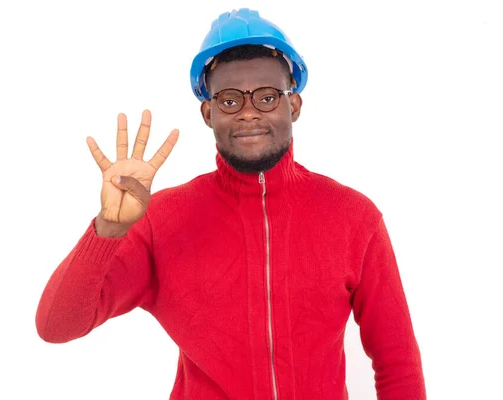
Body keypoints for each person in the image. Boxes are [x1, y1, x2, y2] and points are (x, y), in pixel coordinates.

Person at [35, 8, 426, 400]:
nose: (250, 111)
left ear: (295, 105)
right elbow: (57, 325)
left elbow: (397, 364)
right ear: (209, 113)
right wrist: (109, 229)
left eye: (268, 96)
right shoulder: (162, 221)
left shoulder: (353, 217)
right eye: (229, 100)